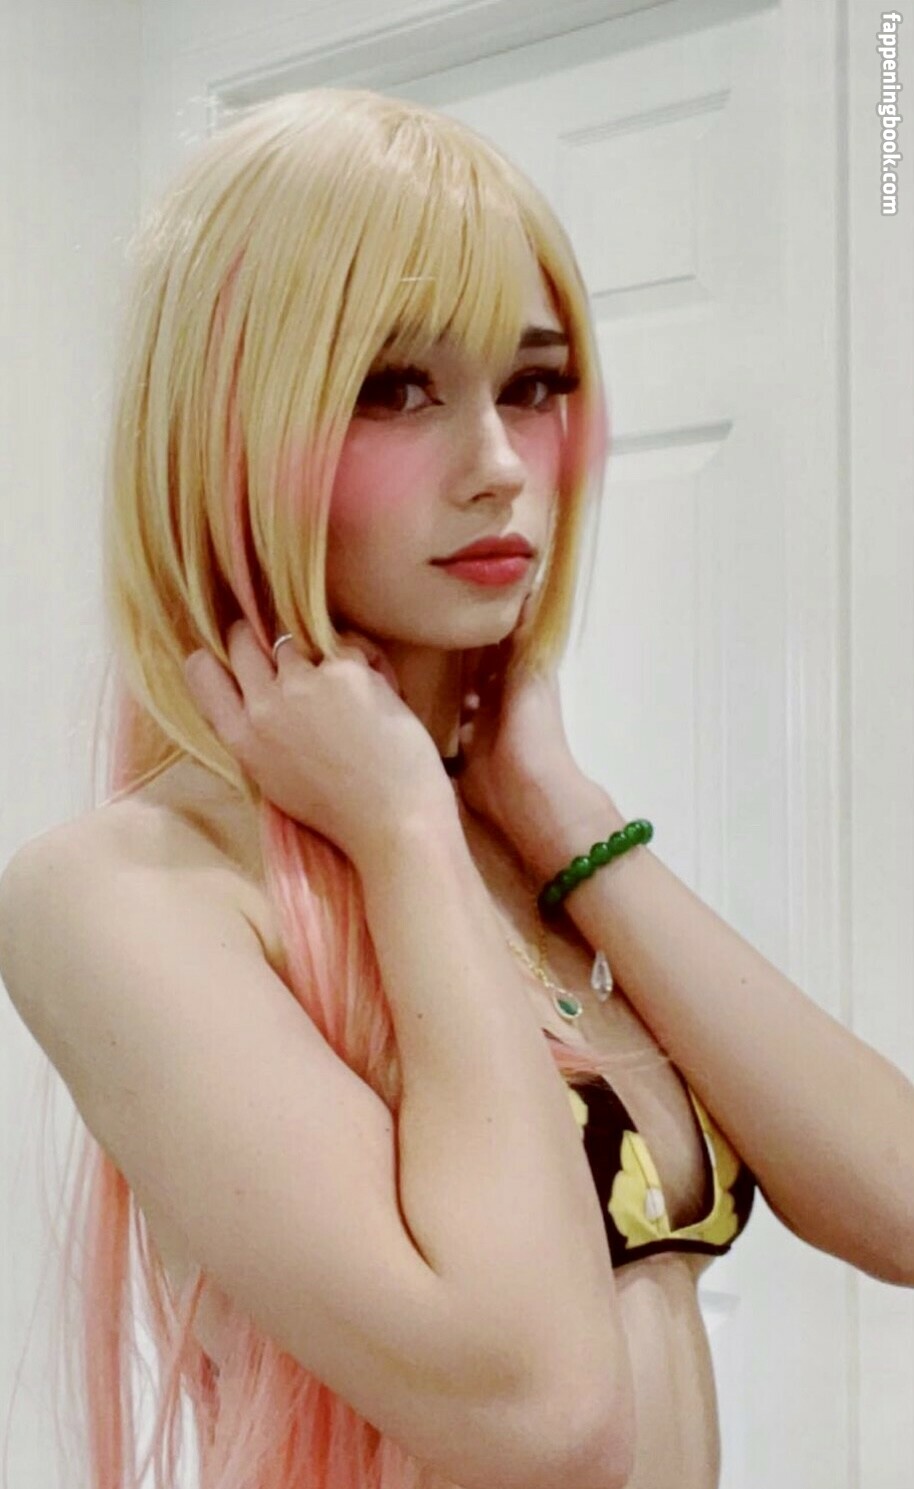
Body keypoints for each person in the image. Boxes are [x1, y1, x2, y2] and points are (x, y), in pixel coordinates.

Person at [0, 86, 911, 1489]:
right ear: (228, 430)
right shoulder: (123, 890)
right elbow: (543, 1413)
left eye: (532, 386)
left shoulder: (519, 836)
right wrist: (404, 828)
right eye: (392, 387)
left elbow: (898, 1201)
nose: (498, 468)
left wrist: (561, 813)